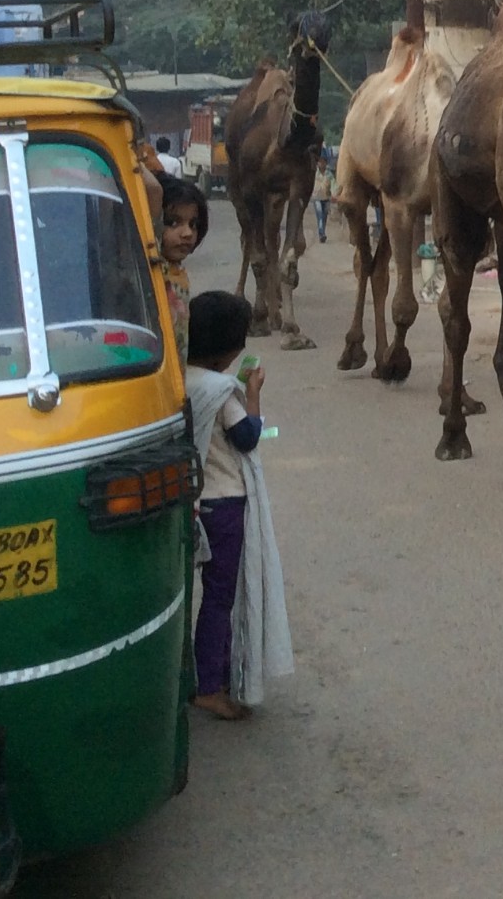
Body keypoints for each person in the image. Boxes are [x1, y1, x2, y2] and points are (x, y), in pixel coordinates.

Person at [185, 292, 294, 721]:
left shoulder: (181, 381)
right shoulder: (219, 389)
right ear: (230, 348)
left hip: (194, 503)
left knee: (200, 594)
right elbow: (247, 436)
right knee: (220, 597)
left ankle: (201, 675)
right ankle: (210, 685)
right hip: (226, 504)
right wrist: (253, 393)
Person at [158, 177, 208, 361]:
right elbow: (152, 190)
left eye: (193, 225)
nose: (187, 233)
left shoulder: (177, 271)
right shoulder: (153, 266)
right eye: (172, 223)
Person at [312, 153, 336, 244]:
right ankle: (321, 234)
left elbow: (333, 185)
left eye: (323, 161)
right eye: (320, 161)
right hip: (316, 197)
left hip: (326, 198)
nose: (321, 164)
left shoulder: (329, 174)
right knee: (320, 215)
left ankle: (322, 232)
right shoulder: (314, 173)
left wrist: (334, 194)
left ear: (326, 163)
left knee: (324, 216)